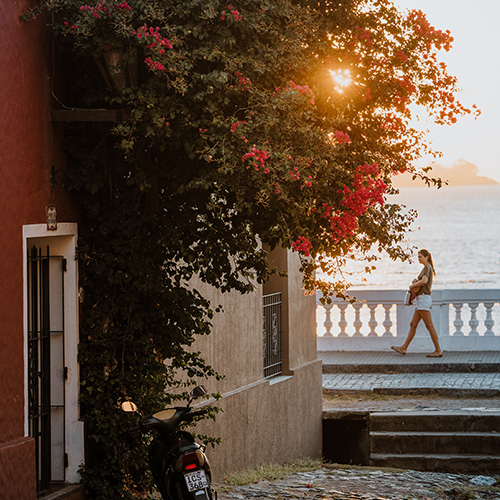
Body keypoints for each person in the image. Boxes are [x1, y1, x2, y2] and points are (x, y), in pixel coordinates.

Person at [391, 249, 443, 357]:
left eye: (420, 257)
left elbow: (424, 281)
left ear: (426, 257)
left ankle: (438, 351)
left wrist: (413, 285)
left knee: (429, 326)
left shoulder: (426, 268)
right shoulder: (427, 268)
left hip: (423, 299)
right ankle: (404, 348)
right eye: (418, 257)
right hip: (421, 300)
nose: (418, 259)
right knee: (413, 324)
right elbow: (423, 282)